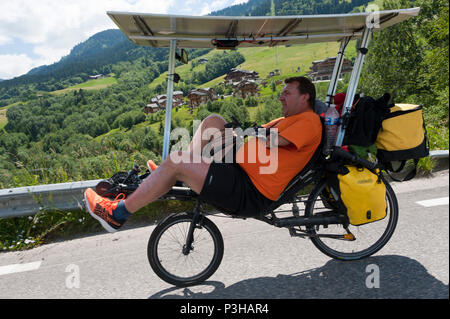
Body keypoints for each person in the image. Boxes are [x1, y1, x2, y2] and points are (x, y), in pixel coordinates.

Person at [84, 76, 322, 232]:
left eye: (287, 93)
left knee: (177, 160)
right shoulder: (286, 119)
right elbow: (260, 135)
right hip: (242, 170)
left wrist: (244, 135)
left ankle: (118, 213)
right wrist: (240, 135)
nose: (281, 97)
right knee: (213, 121)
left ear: (305, 97)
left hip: (250, 190)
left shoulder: (309, 121)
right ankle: (173, 175)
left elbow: (275, 140)